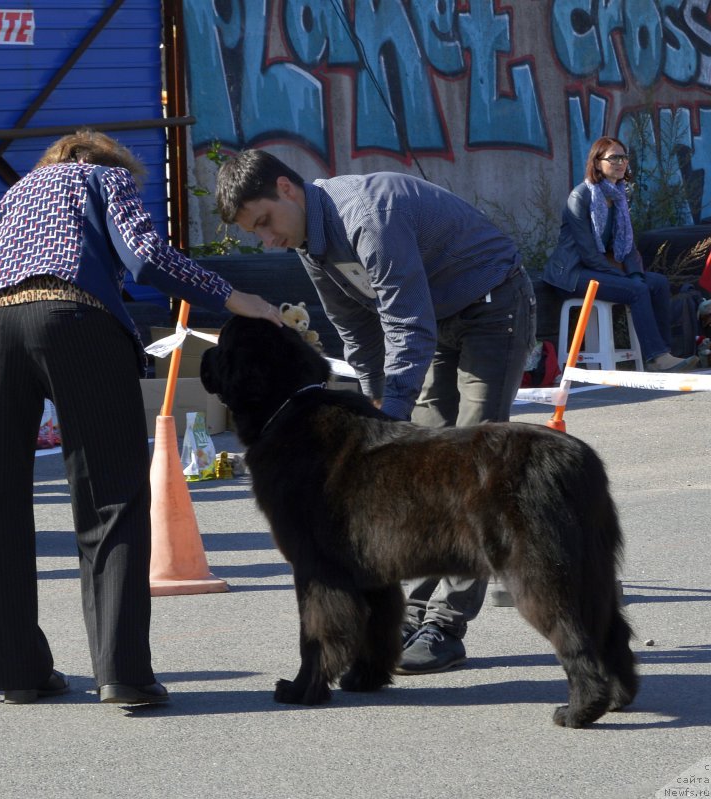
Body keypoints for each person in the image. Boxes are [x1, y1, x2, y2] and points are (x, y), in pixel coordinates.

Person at [0, 130, 283, 705]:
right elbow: (144, 255)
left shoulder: (16, 193)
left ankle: (14, 669)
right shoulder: (102, 177)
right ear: (102, 159)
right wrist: (232, 296)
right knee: (111, 494)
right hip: (75, 320)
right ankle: (122, 672)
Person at [215, 149, 536, 674]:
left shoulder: (368, 217)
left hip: (491, 306)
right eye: (257, 232)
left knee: (475, 466)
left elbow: (407, 324)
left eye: (266, 221)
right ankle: (415, 610)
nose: (268, 239)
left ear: (287, 188)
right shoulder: (311, 244)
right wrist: (374, 405)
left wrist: (391, 416)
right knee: (425, 469)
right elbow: (357, 333)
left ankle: (447, 623)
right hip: (436, 321)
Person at [544, 136, 698, 372]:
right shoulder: (580, 196)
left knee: (657, 283)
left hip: (600, 270)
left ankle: (665, 352)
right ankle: (656, 357)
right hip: (572, 274)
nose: (621, 162)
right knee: (636, 289)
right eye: (613, 158)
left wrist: (635, 274)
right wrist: (625, 278)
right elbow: (587, 253)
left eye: (624, 157)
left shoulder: (619, 196)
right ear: (597, 163)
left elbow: (627, 245)